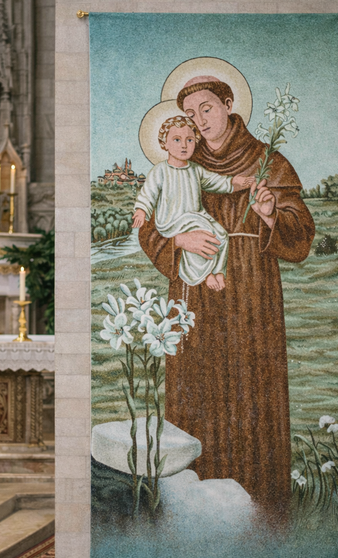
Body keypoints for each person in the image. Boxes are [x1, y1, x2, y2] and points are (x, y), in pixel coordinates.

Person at [138, 75, 315, 516]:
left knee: (251, 384)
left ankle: (263, 504)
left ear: (229, 103)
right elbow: (147, 224)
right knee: (197, 385)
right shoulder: (179, 158)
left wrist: (272, 214)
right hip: (192, 289)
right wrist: (178, 243)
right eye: (192, 114)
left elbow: (303, 232)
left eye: (208, 108)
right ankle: (187, 506)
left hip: (251, 287)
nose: (200, 121)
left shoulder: (266, 159)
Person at [132, 115, 254, 291]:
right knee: (201, 235)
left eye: (189, 140)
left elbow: (215, 182)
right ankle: (205, 275)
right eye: (176, 139)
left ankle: (219, 271)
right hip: (172, 222)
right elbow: (148, 193)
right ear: (164, 144)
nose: (184, 145)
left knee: (221, 235)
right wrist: (142, 210)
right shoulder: (160, 170)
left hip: (196, 217)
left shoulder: (196, 170)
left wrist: (233, 183)